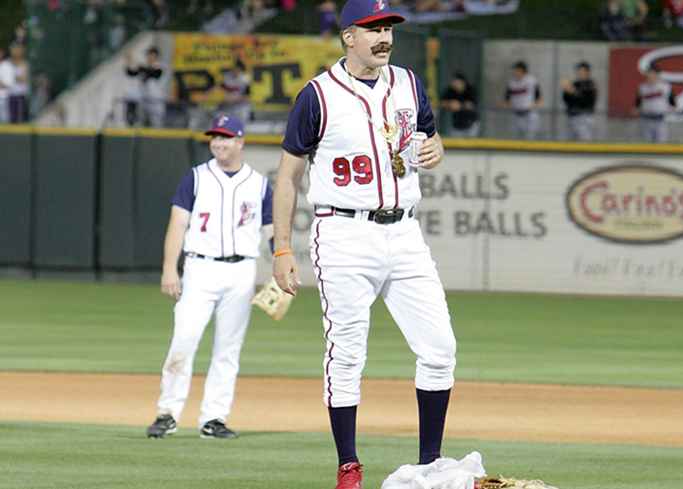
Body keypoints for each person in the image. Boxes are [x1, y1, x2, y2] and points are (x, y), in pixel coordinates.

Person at [272, 0, 457, 487]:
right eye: (373, 28)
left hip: (405, 231)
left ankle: (430, 465)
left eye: (388, 27)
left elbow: (429, 140)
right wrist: (281, 248)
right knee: (348, 353)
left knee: (440, 348)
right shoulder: (318, 96)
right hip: (343, 233)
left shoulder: (409, 84)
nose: (384, 36)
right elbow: (288, 177)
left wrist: (437, 149)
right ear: (347, 37)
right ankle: (348, 465)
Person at [146, 114, 273, 440]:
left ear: (240, 142)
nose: (218, 142)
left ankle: (214, 418)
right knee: (183, 340)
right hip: (200, 269)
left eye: (226, 137)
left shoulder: (259, 184)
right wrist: (169, 268)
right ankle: (167, 413)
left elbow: (272, 231)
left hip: (242, 270)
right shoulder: (196, 178)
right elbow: (178, 223)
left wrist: (280, 267)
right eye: (215, 137)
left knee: (228, 348)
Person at [498, 60, 542, 139]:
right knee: (516, 138)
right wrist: (504, 104)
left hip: (529, 114)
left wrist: (535, 105)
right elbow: (506, 99)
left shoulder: (531, 80)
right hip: (516, 114)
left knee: (530, 138)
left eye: (516, 69)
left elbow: (539, 97)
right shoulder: (511, 82)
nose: (514, 71)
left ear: (522, 70)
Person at [633, 64, 676, 143]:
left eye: (652, 73)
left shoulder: (665, 87)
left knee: (661, 145)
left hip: (660, 120)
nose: (650, 75)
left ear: (657, 75)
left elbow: (673, 102)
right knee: (646, 144)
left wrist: (672, 107)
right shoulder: (642, 87)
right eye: (648, 73)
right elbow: (638, 101)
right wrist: (636, 108)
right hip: (646, 120)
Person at [125, 46, 166, 127]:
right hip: (144, 98)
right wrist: (129, 61)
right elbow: (131, 73)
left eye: (151, 54)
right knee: (130, 94)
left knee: (156, 124)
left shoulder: (160, 66)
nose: (149, 56)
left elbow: (153, 73)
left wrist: (136, 63)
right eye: (148, 54)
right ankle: (131, 119)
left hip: (156, 100)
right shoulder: (145, 67)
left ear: (156, 56)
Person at [561, 61, 597, 141]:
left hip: (585, 117)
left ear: (587, 72)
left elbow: (586, 100)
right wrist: (566, 90)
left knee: (585, 142)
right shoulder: (575, 83)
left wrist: (572, 91)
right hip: (572, 117)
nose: (580, 73)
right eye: (579, 71)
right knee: (570, 143)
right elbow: (566, 100)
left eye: (582, 71)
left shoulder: (591, 84)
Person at [440, 71, 479, 137]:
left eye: (456, 82)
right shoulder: (450, 90)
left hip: (471, 124)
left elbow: (472, 105)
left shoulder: (470, 90)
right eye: (453, 81)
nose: (454, 83)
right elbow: (441, 103)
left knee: (471, 145)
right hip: (456, 125)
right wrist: (449, 104)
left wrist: (460, 105)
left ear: (462, 82)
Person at [219, 57, 252, 124]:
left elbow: (247, 96)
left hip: (241, 107)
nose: (235, 70)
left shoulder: (245, 78)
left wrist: (235, 99)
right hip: (228, 107)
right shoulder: (227, 77)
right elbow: (220, 90)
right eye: (234, 68)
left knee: (241, 125)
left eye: (237, 68)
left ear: (241, 69)